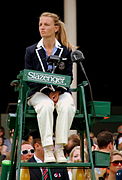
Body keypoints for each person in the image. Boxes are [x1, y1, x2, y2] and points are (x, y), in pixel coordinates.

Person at [25, 12, 76, 163]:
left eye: (46, 24)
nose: (42, 27)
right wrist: (48, 92)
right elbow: (29, 78)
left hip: (60, 91)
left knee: (68, 105)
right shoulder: (31, 50)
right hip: (37, 93)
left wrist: (58, 91)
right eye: (40, 24)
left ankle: (59, 148)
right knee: (46, 105)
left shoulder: (65, 50)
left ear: (56, 28)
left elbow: (68, 76)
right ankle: (48, 149)